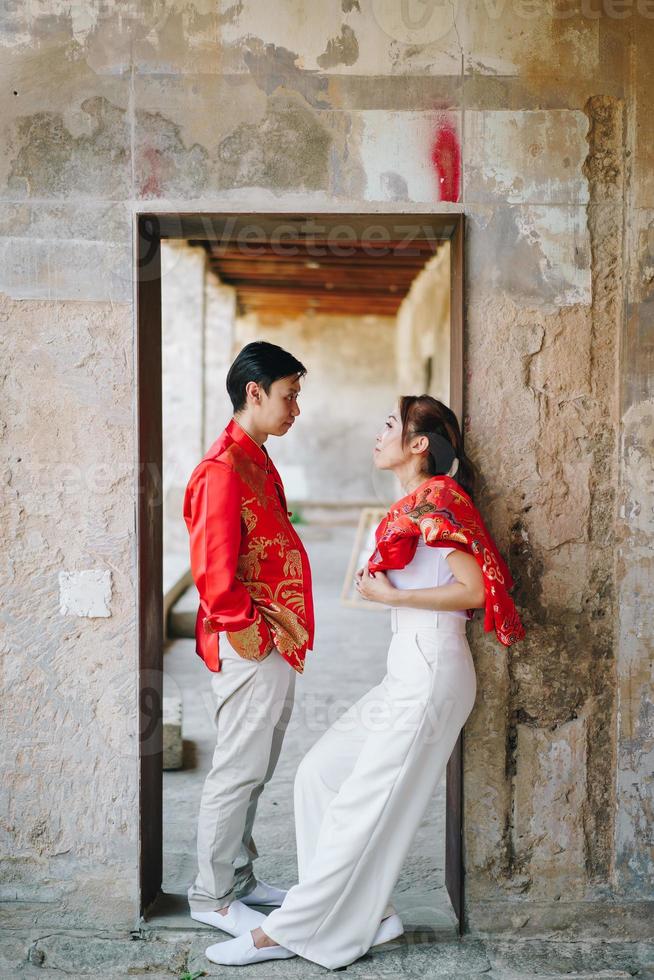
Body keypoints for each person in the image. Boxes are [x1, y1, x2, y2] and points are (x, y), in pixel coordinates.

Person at [205, 394, 526, 969]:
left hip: (430, 669)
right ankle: (373, 915)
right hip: (406, 667)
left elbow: (476, 591)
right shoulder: (413, 502)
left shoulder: (441, 497)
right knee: (318, 776)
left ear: (419, 443)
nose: (378, 434)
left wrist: (393, 595)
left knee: (359, 805)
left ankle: (287, 931)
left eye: (389, 425)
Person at [183, 340, 315, 940]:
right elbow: (214, 580)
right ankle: (210, 896)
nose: (295, 409)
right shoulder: (221, 471)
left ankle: (238, 876)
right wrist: (255, 636)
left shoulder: (256, 458)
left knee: (256, 767)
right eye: (288, 397)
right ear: (254, 393)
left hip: (275, 639)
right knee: (237, 768)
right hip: (253, 642)